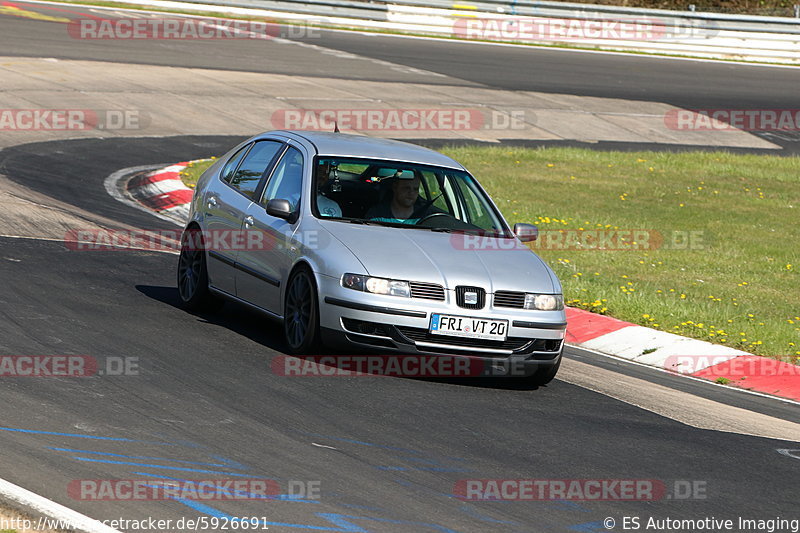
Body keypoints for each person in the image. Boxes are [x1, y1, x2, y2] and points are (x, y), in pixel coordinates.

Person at [365, 175, 430, 224]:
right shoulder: (377, 215)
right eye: (406, 188)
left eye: (415, 189)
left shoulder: (425, 217)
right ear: (395, 187)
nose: (411, 193)